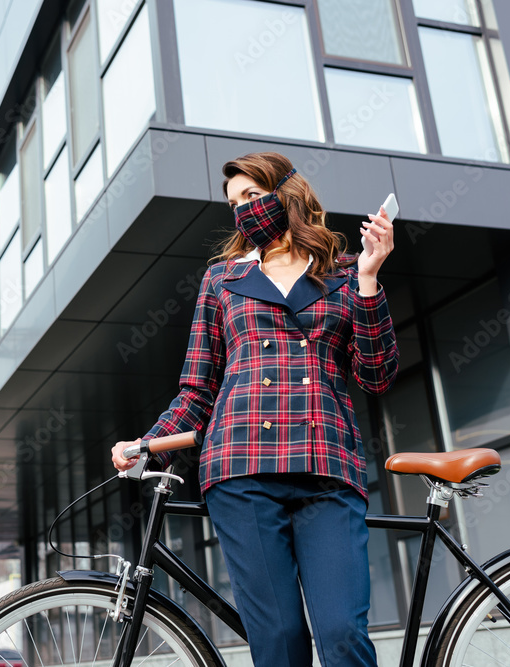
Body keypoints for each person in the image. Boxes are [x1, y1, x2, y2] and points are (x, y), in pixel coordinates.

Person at [111, 151, 399, 667]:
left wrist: (371, 281)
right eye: (233, 202)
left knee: (342, 635)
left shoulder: (346, 272)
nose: (243, 210)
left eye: (251, 195)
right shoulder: (222, 279)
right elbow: (197, 388)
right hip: (241, 471)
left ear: (286, 192)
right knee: (280, 641)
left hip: (326, 469)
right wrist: (148, 445)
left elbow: (375, 376)